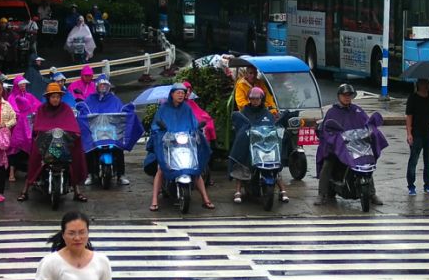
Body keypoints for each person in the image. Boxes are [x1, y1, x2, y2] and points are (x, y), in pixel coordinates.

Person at [314, 84, 386, 206]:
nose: (347, 98)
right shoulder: (332, 112)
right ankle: (322, 194)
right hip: (337, 147)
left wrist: (371, 131)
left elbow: (367, 124)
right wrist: (335, 139)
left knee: (366, 162)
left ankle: (371, 193)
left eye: (349, 95)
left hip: (355, 146)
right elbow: (326, 130)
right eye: (344, 95)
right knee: (328, 163)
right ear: (339, 96)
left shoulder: (357, 110)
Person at [147, 83, 214, 211]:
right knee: (161, 169)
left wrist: (197, 131)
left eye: (183, 93)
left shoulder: (187, 109)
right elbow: (156, 125)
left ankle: (206, 199)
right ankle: (154, 200)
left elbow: (193, 124)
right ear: (172, 94)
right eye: (178, 93)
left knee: (196, 169)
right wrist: (161, 132)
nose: (181, 95)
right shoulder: (163, 108)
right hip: (168, 144)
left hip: (185, 144)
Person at [20, 82, 89, 202]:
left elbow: (72, 126)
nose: (55, 99)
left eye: (57, 97)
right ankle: (25, 190)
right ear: (48, 97)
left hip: (63, 142)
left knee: (74, 155)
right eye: (53, 97)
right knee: (35, 156)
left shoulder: (66, 109)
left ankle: (77, 191)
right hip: (45, 143)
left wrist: (74, 134)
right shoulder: (41, 109)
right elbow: (38, 127)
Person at [79, 75, 143, 187]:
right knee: (89, 150)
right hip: (96, 132)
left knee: (118, 149)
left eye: (105, 85)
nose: (103, 87)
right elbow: (85, 109)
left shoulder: (114, 99)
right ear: (97, 86)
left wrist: (128, 109)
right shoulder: (90, 99)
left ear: (109, 86)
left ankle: (121, 175)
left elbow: (121, 110)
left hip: (112, 131)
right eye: (101, 85)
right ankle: (90, 174)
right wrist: (82, 110)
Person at [229, 86, 289, 204]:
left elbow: (273, 125)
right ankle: (237, 190)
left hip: (265, 145)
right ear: (249, 99)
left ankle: (283, 190)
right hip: (250, 144)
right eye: (252, 99)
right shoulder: (244, 112)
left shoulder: (267, 113)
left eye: (257, 99)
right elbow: (240, 125)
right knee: (242, 158)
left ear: (262, 99)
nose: (255, 101)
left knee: (275, 161)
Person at [405, 78, 429, 196]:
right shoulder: (413, 98)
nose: (425, 85)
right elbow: (409, 116)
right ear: (418, 84)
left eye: (427, 83)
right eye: (423, 83)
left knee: (428, 162)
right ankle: (411, 186)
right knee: (413, 160)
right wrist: (409, 133)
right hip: (416, 134)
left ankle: (427, 185)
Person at [7, 75, 40, 183]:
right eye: (21, 84)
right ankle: (11, 172)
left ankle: (31, 171)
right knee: (14, 148)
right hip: (17, 127)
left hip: (29, 126)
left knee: (31, 146)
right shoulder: (12, 97)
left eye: (24, 84)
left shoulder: (29, 96)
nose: (23, 86)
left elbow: (37, 105)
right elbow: (12, 110)